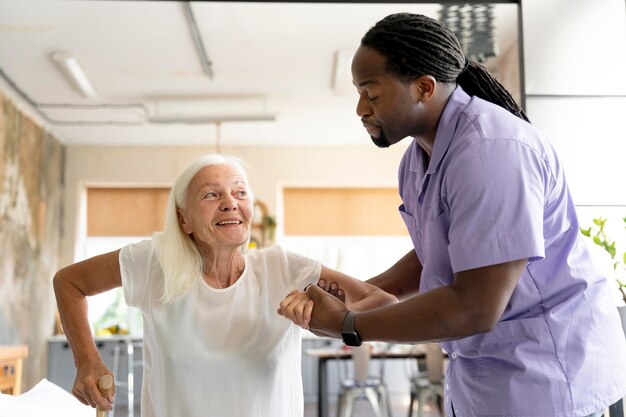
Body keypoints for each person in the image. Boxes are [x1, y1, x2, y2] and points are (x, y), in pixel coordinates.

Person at [281, 12, 626, 417]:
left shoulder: (491, 151)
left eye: (372, 94)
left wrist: (349, 324)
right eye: (358, 93)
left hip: (551, 378)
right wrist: (365, 289)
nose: (360, 108)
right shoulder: (416, 160)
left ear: (424, 88)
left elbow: (474, 307)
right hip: (487, 379)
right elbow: (440, 247)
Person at [53, 153, 397, 417]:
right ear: (183, 219)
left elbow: (382, 301)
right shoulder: (153, 263)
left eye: (240, 192)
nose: (230, 201)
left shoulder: (283, 267)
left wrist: (338, 319)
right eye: (211, 195)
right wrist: (86, 361)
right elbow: (69, 282)